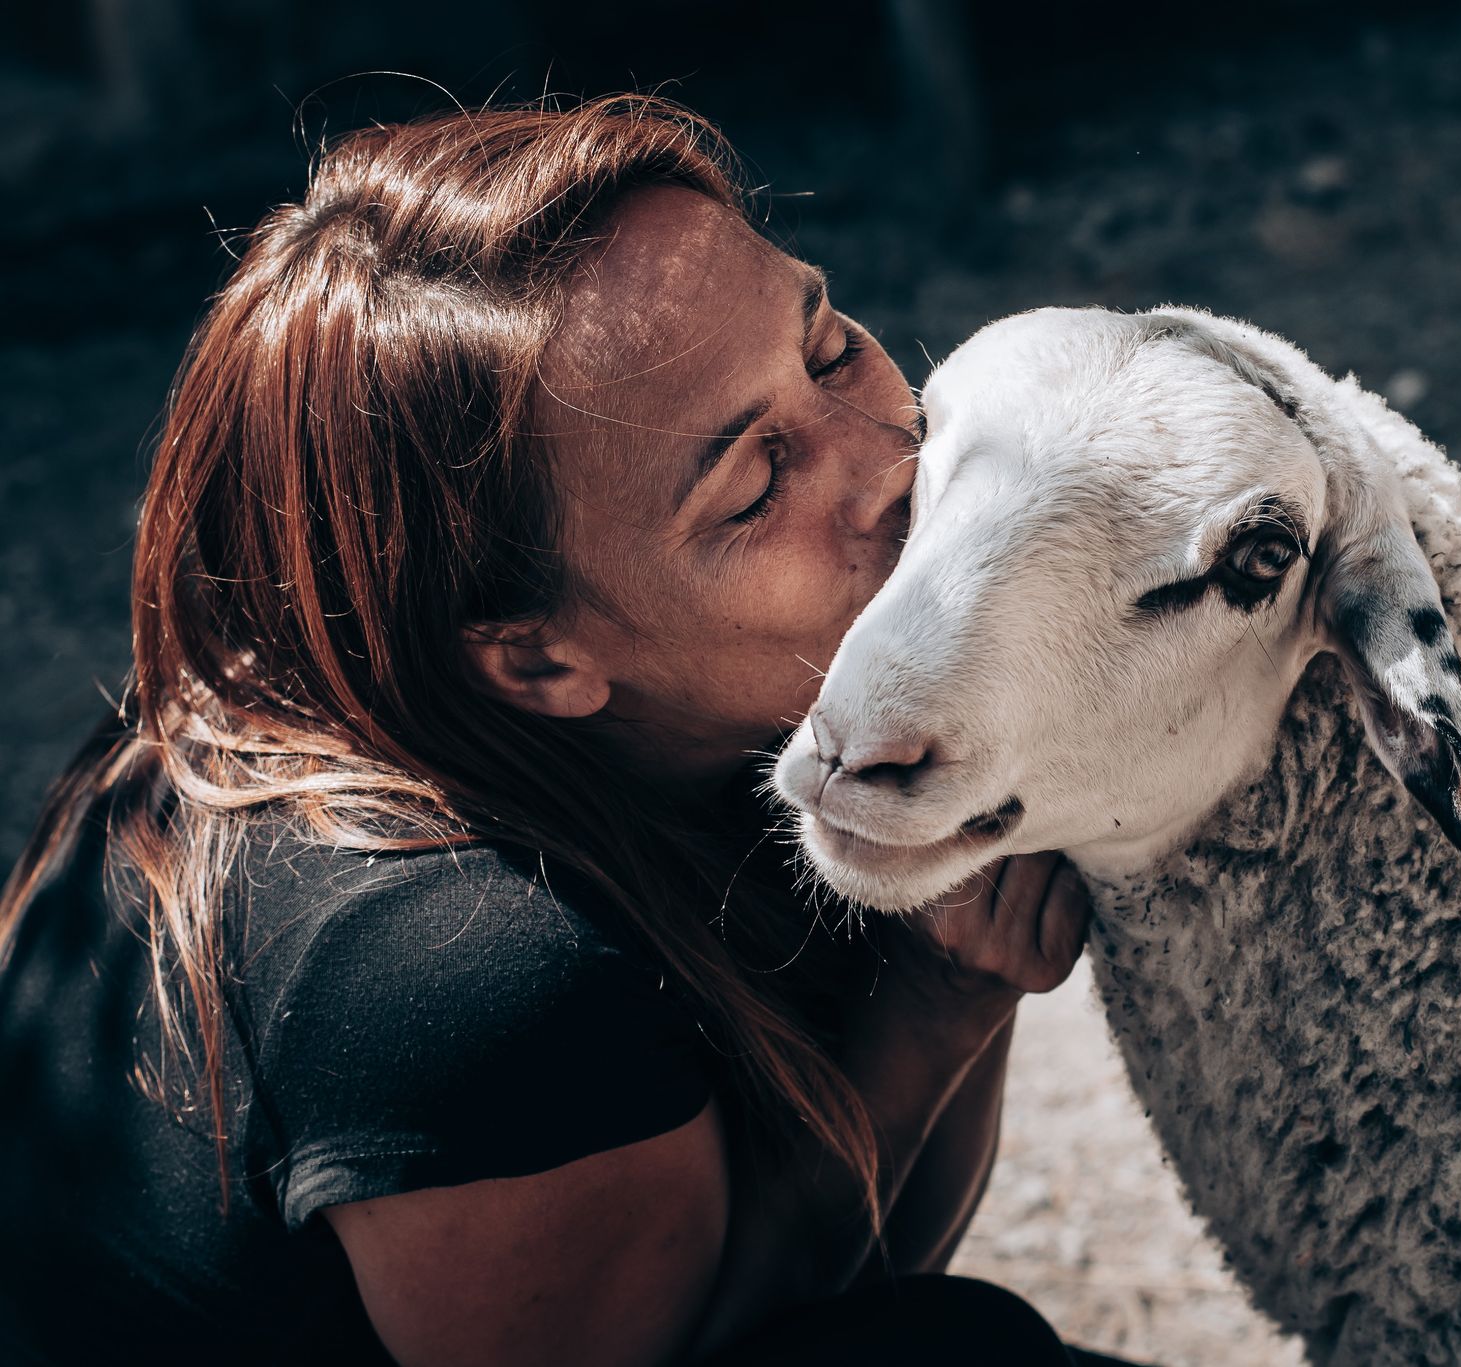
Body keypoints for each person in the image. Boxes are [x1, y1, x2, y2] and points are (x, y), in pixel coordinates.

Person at [0, 96, 1127, 1366]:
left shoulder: (497, 698)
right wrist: (935, 996)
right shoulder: (467, 975)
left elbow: (856, 1261)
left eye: (825, 350)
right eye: (755, 484)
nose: (892, 457)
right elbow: (817, 1330)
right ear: (535, 654)